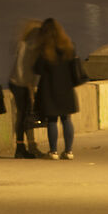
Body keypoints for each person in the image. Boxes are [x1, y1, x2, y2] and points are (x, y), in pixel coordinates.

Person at [32, 18, 85, 160]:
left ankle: (53, 151)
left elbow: (37, 69)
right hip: (66, 88)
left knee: (52, 120)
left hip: (50, 89)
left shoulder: (45, 50)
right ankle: (69, 151)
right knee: (66, 119)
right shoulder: (69, 47)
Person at [10, 21, 46, 156]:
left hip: (21, 84)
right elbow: (21, 70)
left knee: (25, 114)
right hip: (20, 84)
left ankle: (28, 145)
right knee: (23, 114)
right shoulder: (28, 47)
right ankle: (22, 147)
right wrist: (29, 87)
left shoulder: (29, 46)